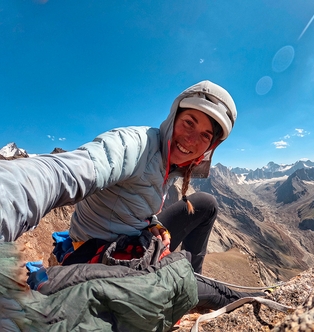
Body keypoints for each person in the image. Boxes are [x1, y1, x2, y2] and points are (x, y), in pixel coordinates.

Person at [0, 80, 265, 330]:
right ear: (174, 118)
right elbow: (61, 174)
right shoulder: (133, 145)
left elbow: (132, 201)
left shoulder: (170, 163)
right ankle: (203, 288)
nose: (192, 140)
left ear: (211, 144)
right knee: (220, 296)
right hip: (98, 255)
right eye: (188, 123)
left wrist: (153, 223)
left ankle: (190, 280)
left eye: (205, 135)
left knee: (205, 204)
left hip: (134, 240)